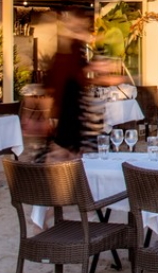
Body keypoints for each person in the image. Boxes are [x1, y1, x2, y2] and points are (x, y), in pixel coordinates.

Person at [40, 9, 123, 163]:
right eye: (80, 24)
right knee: (67, 158)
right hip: (69, 113)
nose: (83, 28)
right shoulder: (67, 48)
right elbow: (64, 81)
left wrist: (100, 75)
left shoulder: (75, 48)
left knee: (74, 157)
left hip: (77, 113)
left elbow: (81, 75)